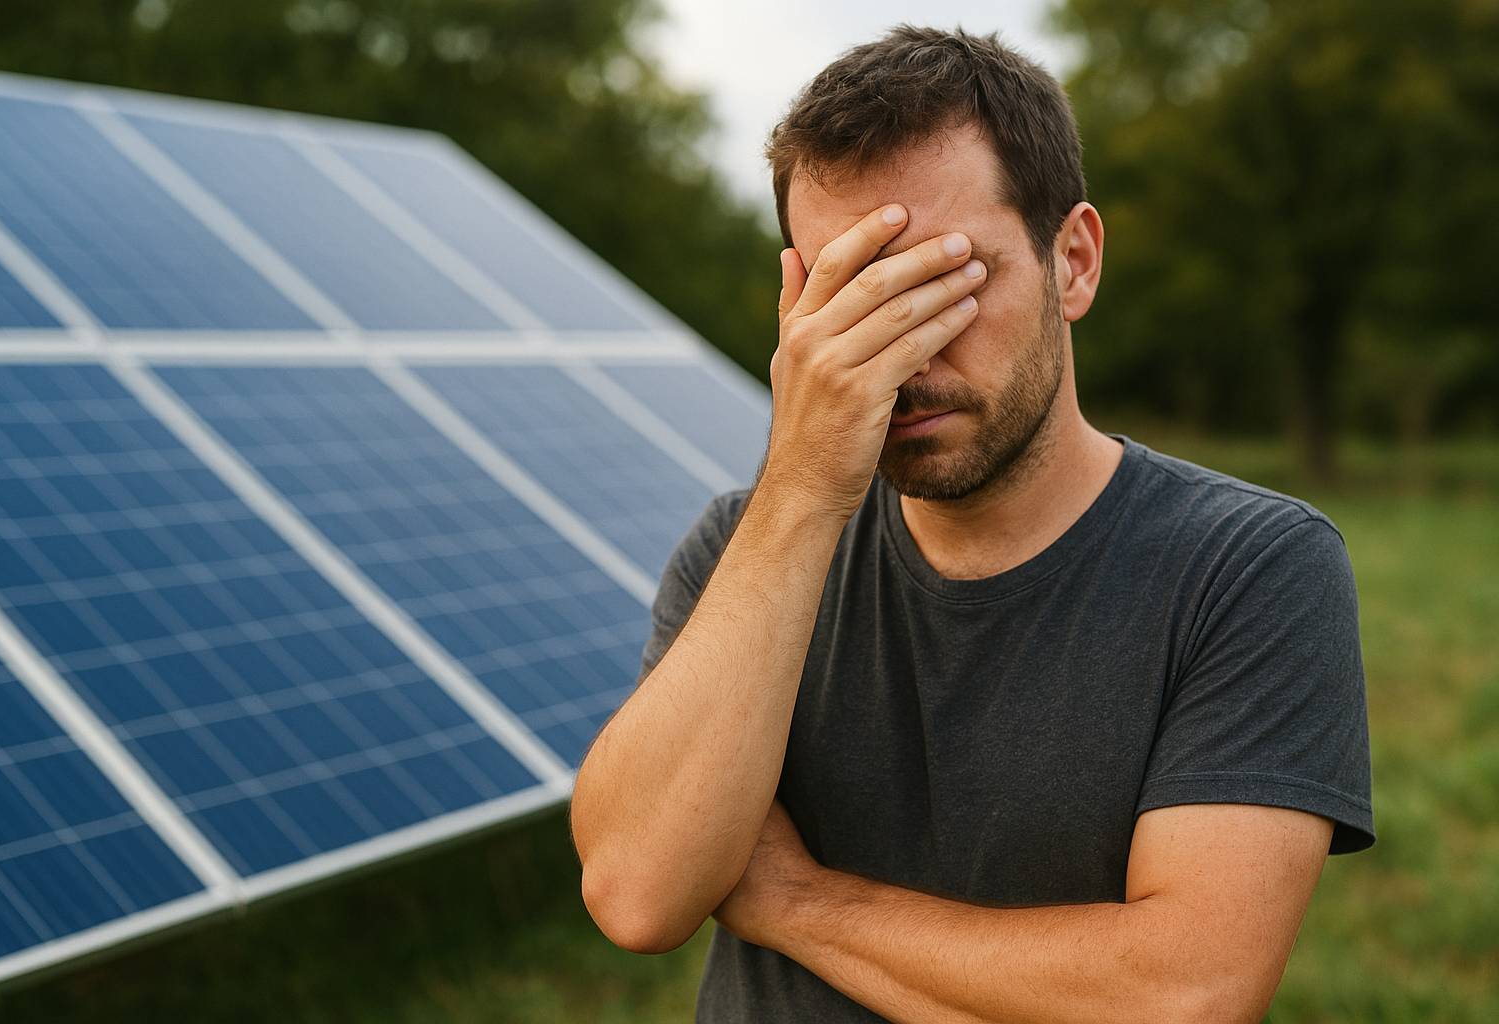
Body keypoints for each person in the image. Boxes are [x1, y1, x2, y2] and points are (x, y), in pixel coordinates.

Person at [569, 24, 1375, 1024]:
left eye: (950, 277)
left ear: (1072, 263)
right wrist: (806, 484)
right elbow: (638, 892)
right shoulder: (748, 543)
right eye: (855, 292)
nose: (904, 351)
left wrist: (797, 899)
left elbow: (1185, 993)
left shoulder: (1247, 567)